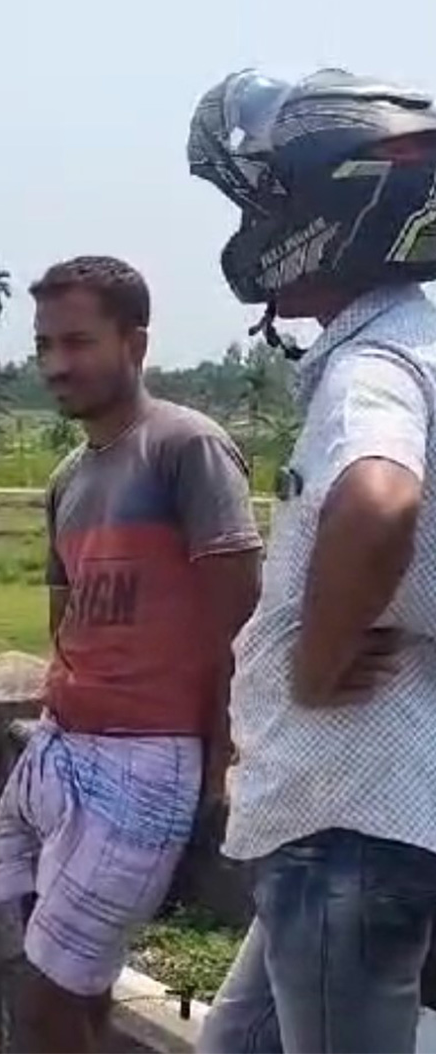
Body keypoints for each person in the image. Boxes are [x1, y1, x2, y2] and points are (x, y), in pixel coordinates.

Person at [189, 68, 436, 1054]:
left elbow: (378, 503)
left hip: (348, 834)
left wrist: (318, 657)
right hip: (343, 827)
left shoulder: (373, 364)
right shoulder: (414, 341)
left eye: (261, 201)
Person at [0, 256, 263, 1053]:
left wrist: (221, 763)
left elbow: (240, 621)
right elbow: (66, 624)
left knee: (45, 998)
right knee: (43, 960)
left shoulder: (187, 448)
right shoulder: (70, 475)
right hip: (63, 744)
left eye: (78, 341)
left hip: (148, 757)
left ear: (134, 343)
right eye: (45, 344)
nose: (56, 364)